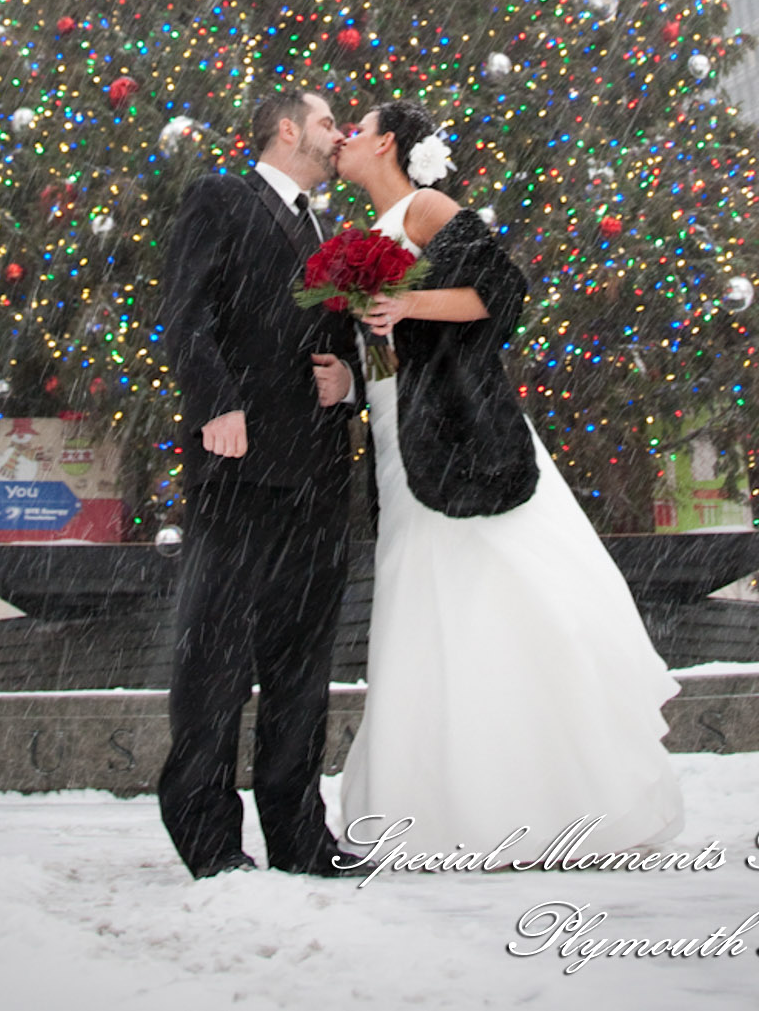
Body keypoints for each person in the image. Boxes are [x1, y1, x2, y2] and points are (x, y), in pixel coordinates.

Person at [336, 100, 683, 862]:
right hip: (397, 437)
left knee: (493, 584)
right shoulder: (361, 239)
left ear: (387, 143)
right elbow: (387, 347)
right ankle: (445, 805)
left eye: (355, 130)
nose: (343, 141)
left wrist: (406, 301)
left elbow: (502, 287)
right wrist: (350, 376)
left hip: (454, 435)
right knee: (424, 598)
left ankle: (549, 790)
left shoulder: (423, 208)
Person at [158, 87, 365, 878]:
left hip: (318, 480)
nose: (339, 133)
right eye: (326, 121)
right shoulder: (221, 198)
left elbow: (340, 340)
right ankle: (209, 839)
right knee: (214, 662)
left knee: (301, 671)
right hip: (238, 469)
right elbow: (187, 312)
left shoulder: (329, 233)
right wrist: (217, 401)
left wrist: (347, 381)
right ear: (286, 129)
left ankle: (300, 837)